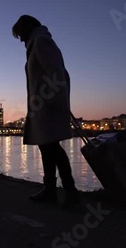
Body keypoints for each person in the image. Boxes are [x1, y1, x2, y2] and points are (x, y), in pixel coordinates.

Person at [12, 15, 80, 207]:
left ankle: (70, 193)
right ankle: (53, 190)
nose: (21, 40)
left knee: (52, 148)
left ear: (28, 28)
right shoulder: (38, 42)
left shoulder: (41, 42)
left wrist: (53, 100)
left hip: (48, 106)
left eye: (21, 35)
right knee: (47, 147)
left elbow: (57, 73)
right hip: (44, 105)